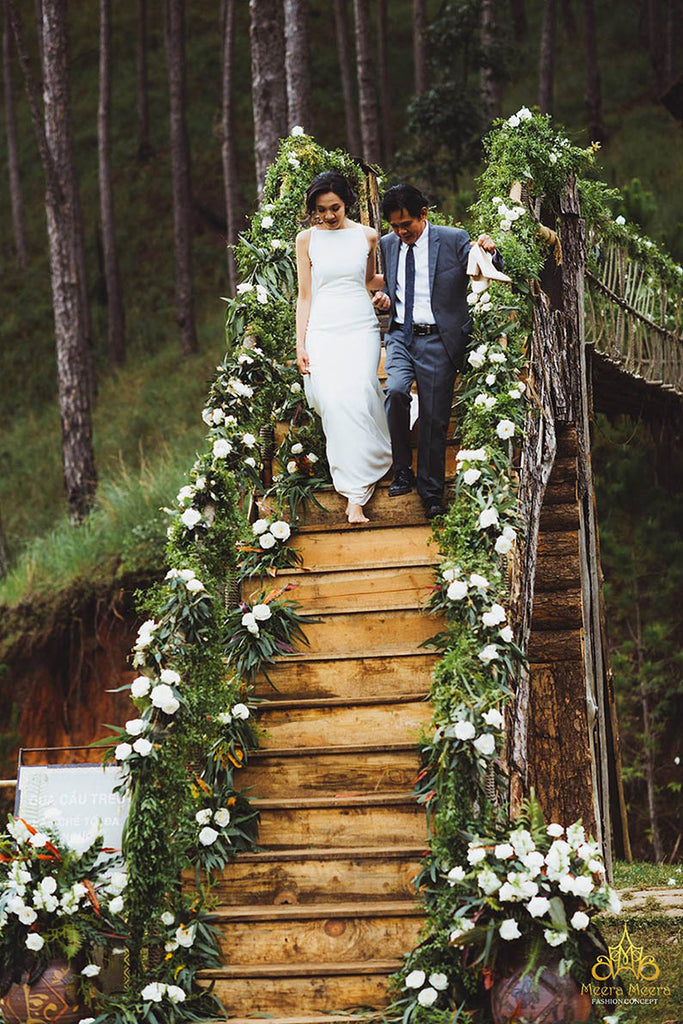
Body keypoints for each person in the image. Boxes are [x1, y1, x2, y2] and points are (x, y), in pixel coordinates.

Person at [373, 184, 502, 520]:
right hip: (400, 334)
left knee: (434, 417)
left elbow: (483, 268)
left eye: (407, 225)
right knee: (396, 391)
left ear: (424, 215)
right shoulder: (388, 245)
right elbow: (392, 285)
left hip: (438, 339)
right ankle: (402, 469)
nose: (401, 233)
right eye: (395, 227)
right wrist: (385, 298)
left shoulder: (454, 238)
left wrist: (491, 249)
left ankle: (431, 493)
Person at [295, 171, 392, 525]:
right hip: (323, 328)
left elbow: (369, 280)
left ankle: (358, 493)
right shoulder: (306, 240)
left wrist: (391, 288)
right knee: (334, 403)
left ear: (346, 203)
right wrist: (300, 343)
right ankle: (355, 491)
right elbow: (304, 296)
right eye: (321, 210)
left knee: (359, 391)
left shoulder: (367, 236)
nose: (328, 216)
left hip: (359, 327)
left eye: (334, 208)